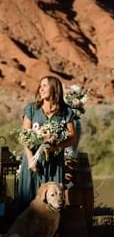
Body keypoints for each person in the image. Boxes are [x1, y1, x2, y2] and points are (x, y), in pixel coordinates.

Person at [17, 76, 76, 212]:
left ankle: (52, 232)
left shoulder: (66, 111)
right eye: (40, 86)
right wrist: (31, 159)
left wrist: (56, 147)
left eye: (44, 85)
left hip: (55, 163)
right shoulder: (32, 109)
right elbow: (24, 136)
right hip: (33, 162)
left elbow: (72, 138)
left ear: (54, 88)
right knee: (28, 202)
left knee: (54, 203)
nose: (41, 89)